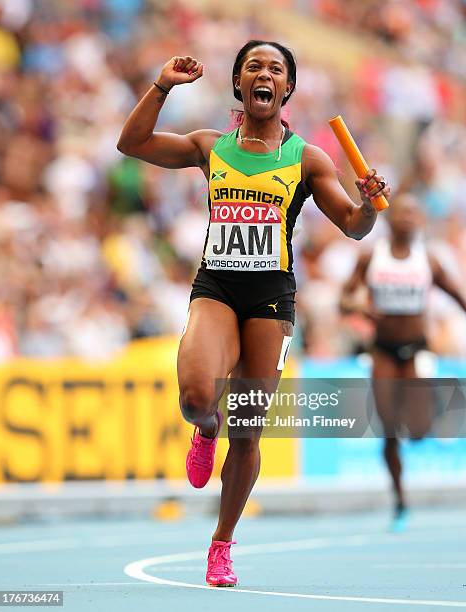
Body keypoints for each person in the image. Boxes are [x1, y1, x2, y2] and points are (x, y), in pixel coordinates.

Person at [117, 40, 389, 587]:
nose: (264, 75)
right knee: (197, 399)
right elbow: (133, 143)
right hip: (216, 286)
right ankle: (203, 430)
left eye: (276, 69)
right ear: (239, 83)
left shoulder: (309, 158)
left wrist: (366, 204)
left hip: (270, 298)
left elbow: (354, 226)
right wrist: (163, 84)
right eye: (253, 67)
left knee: (248, 432)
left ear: (287, 88)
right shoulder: (210, 146)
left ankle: (221, 544)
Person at [340, 192, 466, 531]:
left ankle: (430, 404)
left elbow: (458, 296)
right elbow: (344, 298)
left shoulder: (429, 260)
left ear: (421, 222)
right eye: (403, 212)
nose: (408, 217)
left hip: (417, 348)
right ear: (390, 218)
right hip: (382, 350)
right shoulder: (372, 256)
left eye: (415, 213)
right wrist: (358, 308)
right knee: (389, 429)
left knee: (420, 432)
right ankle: (399, 500)